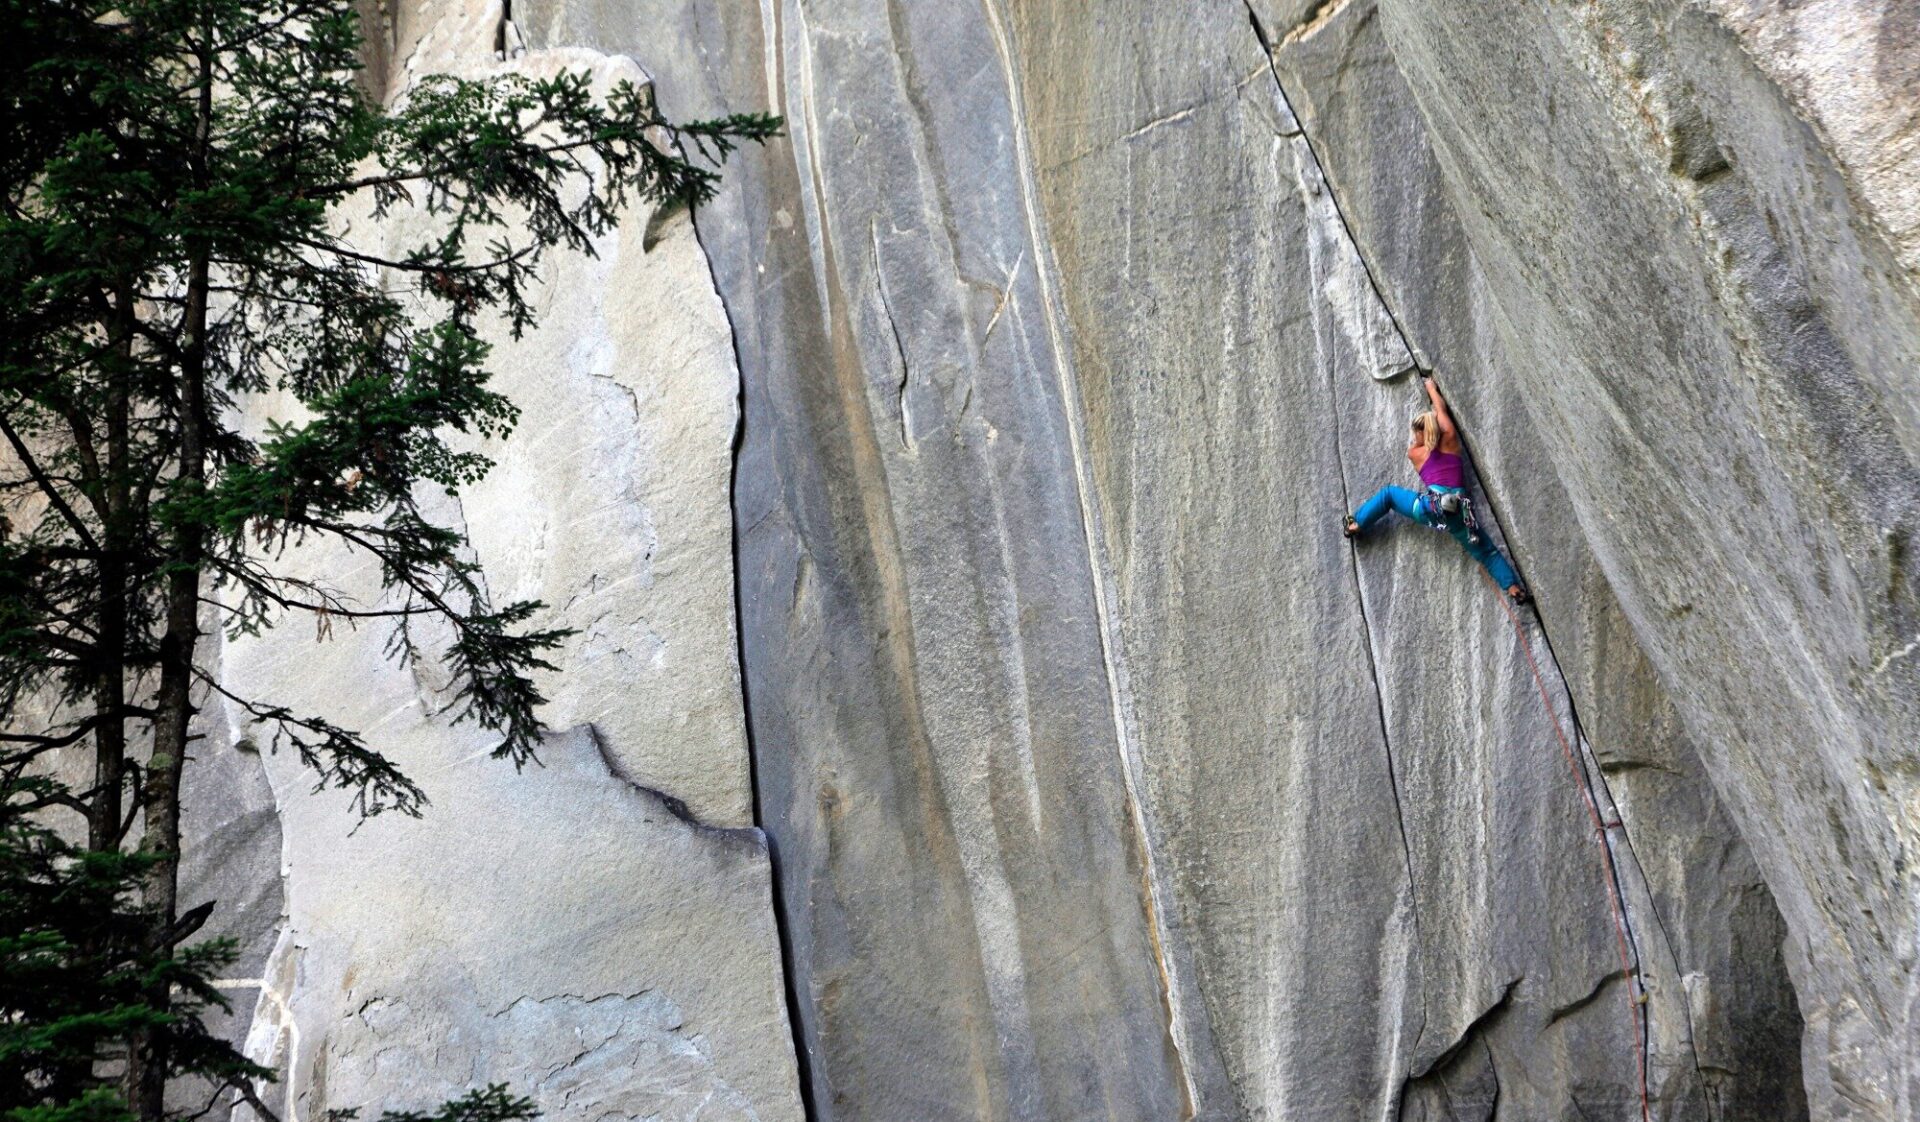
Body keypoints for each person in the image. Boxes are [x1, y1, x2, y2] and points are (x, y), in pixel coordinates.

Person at [1342, 375, 1530, 604]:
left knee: (1389, 495)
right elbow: (1440, 409)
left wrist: (1425, 427)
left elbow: (1423, 438)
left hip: (1429, 508)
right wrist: (1431, 387)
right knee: (1487, 552)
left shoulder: (1415, 454)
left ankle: (1356, 523)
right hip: (1459, 513)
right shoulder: (1450, 437)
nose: (1413, 437)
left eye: (1415, 432)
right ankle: (1512, 588)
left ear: (1422, 433)